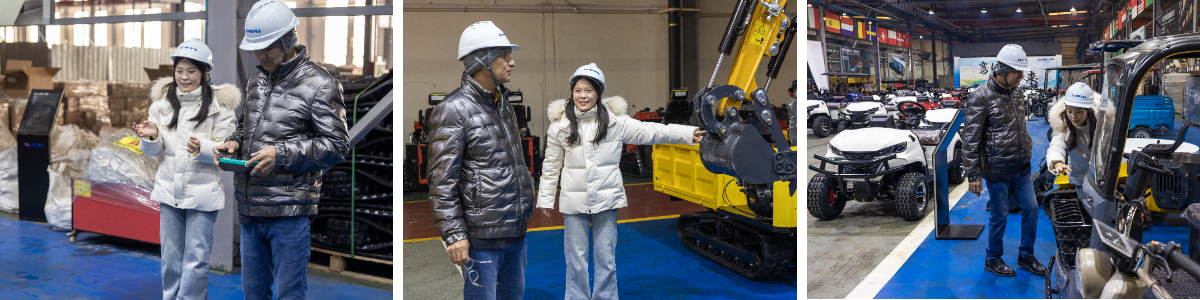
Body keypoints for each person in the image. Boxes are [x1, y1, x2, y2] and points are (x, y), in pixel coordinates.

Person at [212, 0, 349, 298]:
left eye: (267, 49)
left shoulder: (320, 84)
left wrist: (282, 154)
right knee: (253, 293)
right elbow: (245, 126)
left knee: (289, 293)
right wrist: (234, 142)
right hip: (250, 209)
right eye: (256, 49)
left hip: (290, 213)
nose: (260, 56)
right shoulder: (256, 82)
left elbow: (337, 145)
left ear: (289, 40)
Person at [537, 63, 705, 300]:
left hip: (606, 200)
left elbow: (653, 131)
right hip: (574, 203)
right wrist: (545, 198)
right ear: (571, 93)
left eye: (588, 90)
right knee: (576, 259)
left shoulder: (616, 123)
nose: (582, 95)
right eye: (577, 90)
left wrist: (687, 134)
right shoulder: (560, 127)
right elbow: (551, 166)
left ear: (599, 93)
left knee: (606, 257)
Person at [426, 20, 535, 300]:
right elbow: (441, 182)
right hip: (481, 238)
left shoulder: (503, 105)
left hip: (515, 231)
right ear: (483, 60)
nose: (512, 62)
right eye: (505, 56)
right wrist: (454, 234)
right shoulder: (452, 110)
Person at [133, 38, 241, 300]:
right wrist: (151, 137)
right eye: (180, 70)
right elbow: (154, 152)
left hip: (203, 194)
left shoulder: (219, 106)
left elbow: (226, 150)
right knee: (170, 257)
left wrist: (202, 147)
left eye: (192, 71)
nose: (185, 77)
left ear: (205, 72)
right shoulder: (161, 105)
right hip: (169, 190)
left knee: (196, 259)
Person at [961, 44, 1046, 277]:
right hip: (997, 169)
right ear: (1001, 70)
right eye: (1017, 72)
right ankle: (993, 258)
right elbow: (971, 137)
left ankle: (1025, 256)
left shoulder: (1017, 93)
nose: (1021, 77)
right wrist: (974, 175)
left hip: (1021, 166)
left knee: (1032, 208)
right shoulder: (981, 96)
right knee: (1000, 215)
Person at [1047, 82, 1099, 186]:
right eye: (1069, 111)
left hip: (1099, 178)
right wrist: (1057, 161)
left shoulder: (1101, 123)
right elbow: (1057, 144)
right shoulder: (1063, 123)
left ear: (1088, 110)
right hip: (1078, 177)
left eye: (1079, 112)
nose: (1073, 117)